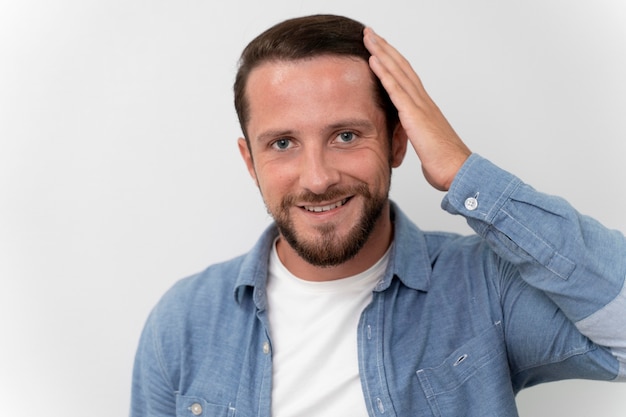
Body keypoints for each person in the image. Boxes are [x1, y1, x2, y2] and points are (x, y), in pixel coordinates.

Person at [130, 14, 626, 417]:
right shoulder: (184, 322)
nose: (318, 178)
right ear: (250, 161)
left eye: (345, 136)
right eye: (283, 144)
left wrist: (463, 172)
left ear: (396, 141)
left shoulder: (483, 287)